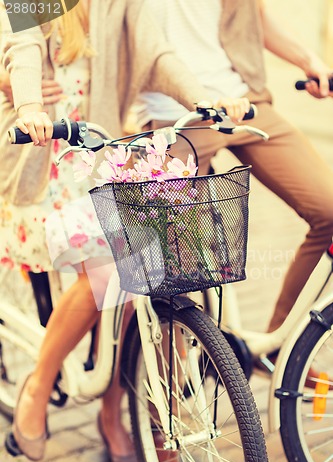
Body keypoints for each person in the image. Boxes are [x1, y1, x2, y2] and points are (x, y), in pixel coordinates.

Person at [0, 0, 250, 462]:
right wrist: (30, 104)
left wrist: (202, 98)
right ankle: (38, 383)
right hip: (41, 159)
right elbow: (24, 46)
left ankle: (111, 410)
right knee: (107, 269)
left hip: (97, 158)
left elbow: (157, 56)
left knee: (144, 273)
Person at [132, 0, 333, 344]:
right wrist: (19, 83)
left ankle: (280, 346)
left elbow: (254, 14)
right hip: (168, 116)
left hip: (242, 104)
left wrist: (308, 60)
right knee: (172, 269)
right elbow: (37, 17)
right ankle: (176, 382)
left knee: (329, 210)